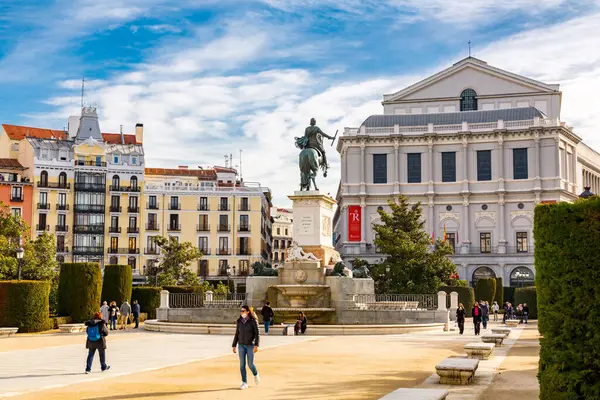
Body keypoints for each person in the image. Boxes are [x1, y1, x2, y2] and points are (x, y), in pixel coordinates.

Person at [232, 305, 260, 390]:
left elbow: (257, 334)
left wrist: (256, 345)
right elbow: (237, 334)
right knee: (242, 365)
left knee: (250, 364)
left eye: (243, 311)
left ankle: (255, 374)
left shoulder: (253, 321)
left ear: (248, 312)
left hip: (250, 345)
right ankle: (244, 382)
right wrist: (234, 345)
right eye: (241, 311)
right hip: (241, 345)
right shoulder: (239, 321)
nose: (242, 312)